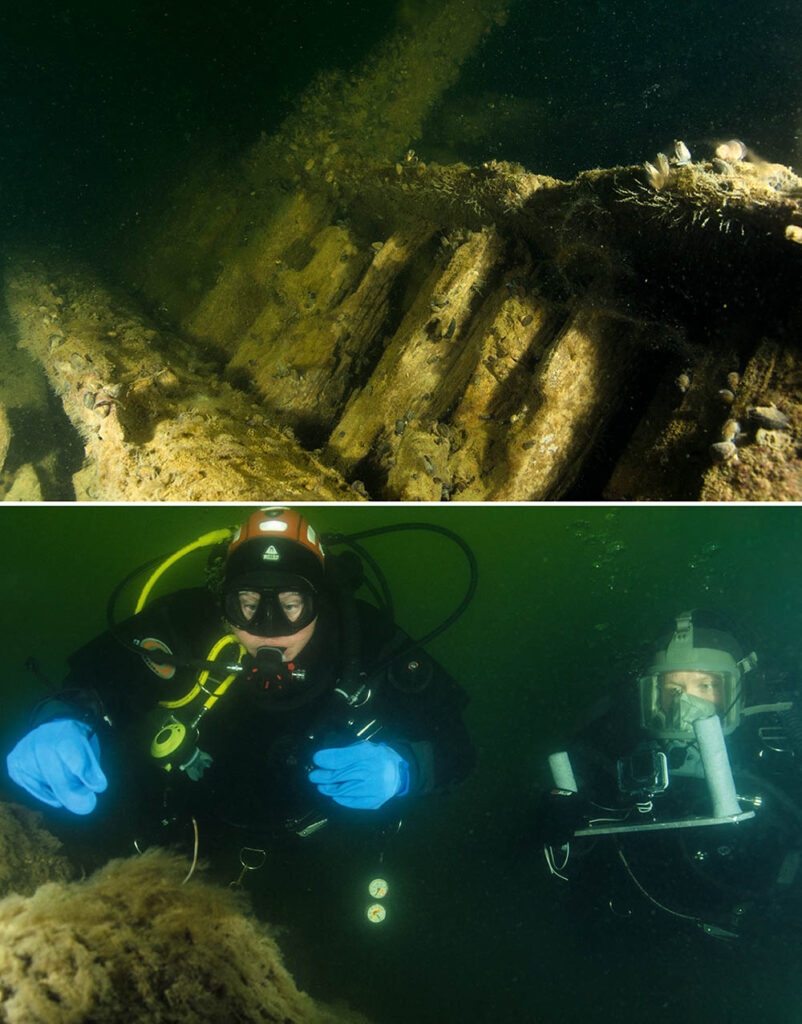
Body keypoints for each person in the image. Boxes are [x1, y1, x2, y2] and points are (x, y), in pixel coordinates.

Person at [5, 508, 476, 891]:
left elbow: (456, 745)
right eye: (247, 604)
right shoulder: (186, 622)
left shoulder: (366, 641)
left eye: (292, 604)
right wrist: (60, 719)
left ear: (322, 601)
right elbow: (95, 677)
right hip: (180, 836)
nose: (268, 627)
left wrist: (405, 769)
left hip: (318, 858)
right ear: (222, 601)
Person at [537, 609, 802, 941]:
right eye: (672, 687)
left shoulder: (781, 752)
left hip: (751, 948)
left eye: (705, 685)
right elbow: (555, 862)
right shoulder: (614, 751)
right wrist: (556, 823)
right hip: (635, 943)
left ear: (739, 691)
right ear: (651, 694)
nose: (685, 705)